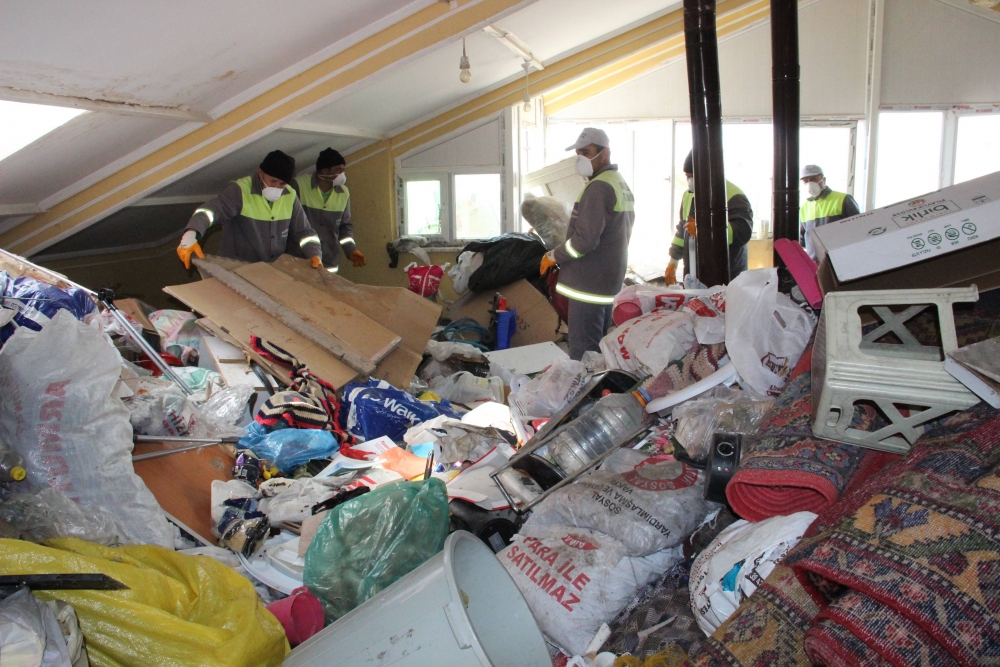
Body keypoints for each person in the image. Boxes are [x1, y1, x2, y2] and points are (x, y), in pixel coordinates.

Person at [540, 128, 635, 361]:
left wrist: (554, 255)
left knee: (584, 354)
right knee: (597, 349)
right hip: (606, 281)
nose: (580, 158)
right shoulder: (617, 182)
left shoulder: (599, 187)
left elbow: (585, 241)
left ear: (605, 154)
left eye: (586, 152)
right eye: (578, 153)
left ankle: (584, 396)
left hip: (587, 285)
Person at [177, 150, 323, 269]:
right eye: (272, 181)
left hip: (269, 271)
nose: (276, 187)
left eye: (282, 184)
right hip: (236, 269)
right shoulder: (240, 190)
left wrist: (314, 254)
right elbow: (209, 211)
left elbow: (305, 232)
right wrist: (191, 234)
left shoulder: (290, 195)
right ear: (260, 172)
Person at [664, 151, 753, 285]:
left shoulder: (734, 196)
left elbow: (742, 231)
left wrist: (706, 230)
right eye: (687, 177)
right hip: (695, 272)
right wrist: (674, 260)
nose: (690, 181)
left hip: (727, 274)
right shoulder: (688, 195)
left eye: (693, 176)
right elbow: (682, 231)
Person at [291, 148, 366, 273]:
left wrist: (351, 250)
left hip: (329, 261)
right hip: (300, 259)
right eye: (338, 170)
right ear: (325, 170)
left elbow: (344, 226)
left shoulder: (343, 192)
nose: (342, 174)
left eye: (343, 170)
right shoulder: (298, 186)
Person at [799, 164, 860, 259]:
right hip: (814, 264)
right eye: (806, 181)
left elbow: (859, 231)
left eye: (813, 179)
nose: (809, 183)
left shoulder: (843, 199)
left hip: (838, 261)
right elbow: (803, 239)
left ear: (823, 179)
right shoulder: (804, 207)